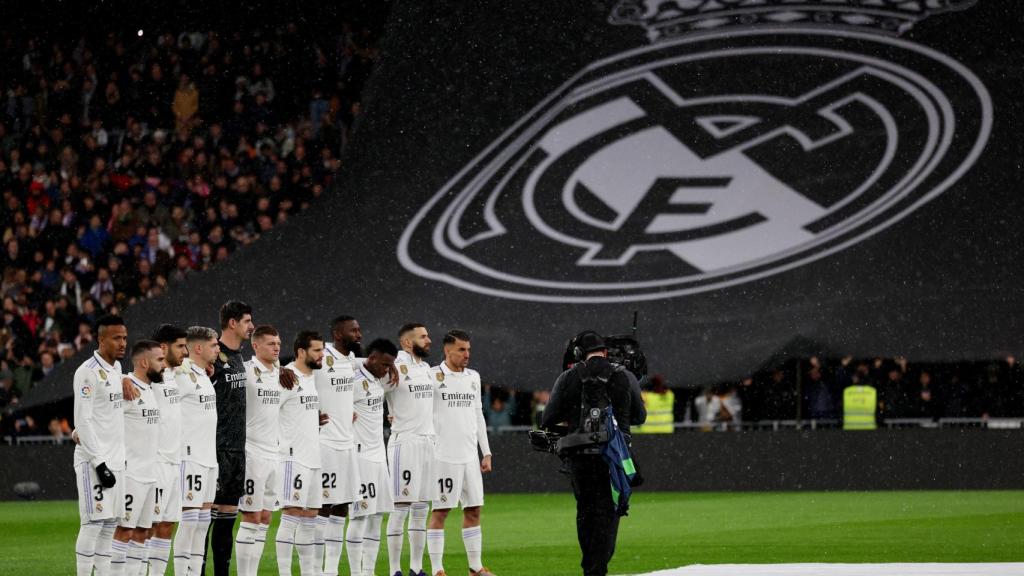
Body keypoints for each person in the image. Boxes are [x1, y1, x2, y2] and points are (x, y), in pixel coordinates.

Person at [541, 331, 645, 576]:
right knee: (610, 513)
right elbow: (640, 416)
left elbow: (548, 418)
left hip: (580, 459)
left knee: (586, 513)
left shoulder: (568, 377)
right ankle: (598, 568)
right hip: (615, 457)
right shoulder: (625, 376)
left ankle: (591, 567)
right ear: (605, 352)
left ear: (578, 354)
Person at [426, 330, 495, 576]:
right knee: (440, 511)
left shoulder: (473, 377)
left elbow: (478, 415)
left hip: (469, 457)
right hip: (443, 456)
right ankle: (437, 570)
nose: (467, 354)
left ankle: (475, 568)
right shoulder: (431, 375)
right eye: (461, 350)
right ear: (447, 351)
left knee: (474, 509)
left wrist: (485, 452)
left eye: (468, 349)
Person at [72, 314, 128, 576]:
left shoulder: (116, 370)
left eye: (125, 338)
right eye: (116, 338)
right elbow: (82, 420)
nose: (122, 343)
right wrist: (99, 463)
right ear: (101, 339)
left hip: (117, 460)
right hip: (95, 461)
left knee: (109, 525)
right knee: (93, 523)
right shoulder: (87, 373)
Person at [235, 325, 290, 576]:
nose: (277, 347)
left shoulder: (283, 373)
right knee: (251, 517)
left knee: (266, 517)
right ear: (256, 346)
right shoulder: (245, 371)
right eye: (270, 343)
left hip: (274, 453)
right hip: (252, 452)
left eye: (278, 342)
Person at [315, 316, 366, 576]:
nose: (359, 334)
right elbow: (293, 371)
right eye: (353, 330)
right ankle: (314, 569)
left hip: (348, 443)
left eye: (359, 329)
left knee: (343, 505)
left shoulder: (351, 361)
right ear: (337, 333)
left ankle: (331, 570)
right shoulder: (321, 355)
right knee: (323, 506)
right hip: (326, 443)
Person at [111, 340, 166, 576]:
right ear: (144, 362)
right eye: (160, 360)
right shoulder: (125, 387)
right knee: (124, 531)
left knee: (143, 532)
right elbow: (102, 412)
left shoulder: (149, 389)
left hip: (150, 474)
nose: (164, 365)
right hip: (130, 474)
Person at [386, 323, 436, 576]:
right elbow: (371, 388)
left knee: (421, 508)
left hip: (427, 444)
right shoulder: (393, 364)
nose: (429, 340)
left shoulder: (426, 368)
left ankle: (416, 568)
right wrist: (385, 411)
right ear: (407, 342)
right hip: (404, 444)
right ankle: (395, 570)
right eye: (423, 337)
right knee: (400, 507)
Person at [347, 338, 399, 576]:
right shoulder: (353, 381)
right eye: (385, 364)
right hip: (361, 457)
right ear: (372, 358)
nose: (387, 370)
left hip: (379, 457)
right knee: (359, 516)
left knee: (377, 517)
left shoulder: (379, 381)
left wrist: (392, 367)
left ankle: (368, 571)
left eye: (390, 366)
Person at [276, 331, 326, 575]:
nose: (322, 355)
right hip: (293, 457)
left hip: (313, 457)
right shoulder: (286, 377)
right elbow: (268, 412)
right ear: (301, 352)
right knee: (292, 516)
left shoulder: (310, 378)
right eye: (317, 350)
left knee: (310, 517)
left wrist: (315, 419)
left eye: (323, 350)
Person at [172, 326, 220, 575]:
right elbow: (154, 381)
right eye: (214, 345)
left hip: (208, 458)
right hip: (189, 457)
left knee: (203, 523)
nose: (218, 349)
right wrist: (126, 378)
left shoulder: (203, 374)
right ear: (198, 348)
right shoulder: (180, 372)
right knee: (189, 522)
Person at [146, 324, 190, 575]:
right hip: (156, 463)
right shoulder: (147, 377)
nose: (185, 351)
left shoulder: (174, 374)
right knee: (146, 526)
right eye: (180, 346)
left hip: (175, 462)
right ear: (163, 347)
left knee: (167, 525)